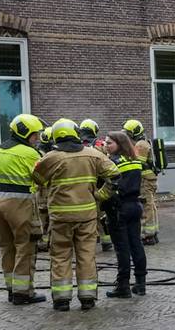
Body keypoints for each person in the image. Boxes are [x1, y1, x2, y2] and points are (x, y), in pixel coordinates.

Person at [33, 119, 118, 311]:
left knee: (60, 256)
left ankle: (61, 300)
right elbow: (115, 175)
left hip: (60, 217)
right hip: (86, 215)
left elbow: (37, 178)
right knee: (86, 255)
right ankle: (87, 297)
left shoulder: (50, 157)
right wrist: (100, 195)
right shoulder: (93, 154)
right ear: (77, 134)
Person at [0, 114, 46, 305]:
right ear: (25, 134)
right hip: (21, 203)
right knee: (25, 246)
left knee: (6, 246)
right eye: (34, 135)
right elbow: (42, 179)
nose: (37, 139)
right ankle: (23, 293)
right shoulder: (30, 154)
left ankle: (10, 288)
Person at [102, 131, 146, 299]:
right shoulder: (135, 161)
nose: (106, 146)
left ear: (119, 144)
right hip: (135, 205)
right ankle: (140, 284)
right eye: (105, 143)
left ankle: (123, 286)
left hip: (119, 208)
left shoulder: (112, 163)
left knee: (122, 249)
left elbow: (108, 186)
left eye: (109, 143)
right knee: (136, 244)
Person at [79, 118, 113, 253]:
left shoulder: (76, 145)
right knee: (102, 214)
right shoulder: (100, 144)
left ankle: (88, 243)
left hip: (82, 184)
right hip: (99, 184)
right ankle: (107, 241)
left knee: (86, 215)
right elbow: (108, 162)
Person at [124, 119, 160, 245]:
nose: (127, 136)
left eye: (128, 133)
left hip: (145, 180)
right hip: (149, 179)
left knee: (146, 206)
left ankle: (147, 235)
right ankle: (153, 233)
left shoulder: (140, 144)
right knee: (151, 205)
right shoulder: (144, 142)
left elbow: (138, 163)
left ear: (134, 132)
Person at [36, 126, 54, 253]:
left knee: (48, 217)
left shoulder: (45, 154)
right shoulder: (40, 156)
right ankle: (43, 242)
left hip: (47, 192)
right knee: (43, 217)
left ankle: (47, 242)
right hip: (43, 192)